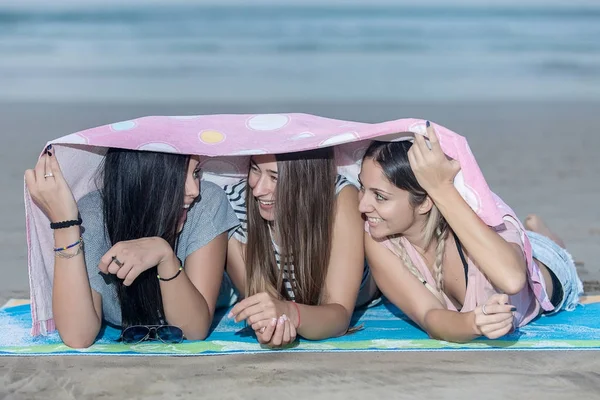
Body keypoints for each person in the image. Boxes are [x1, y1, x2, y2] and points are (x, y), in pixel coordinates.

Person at [358, 124, 582, 343]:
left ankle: (546, 237)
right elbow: (430, 316)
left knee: (553, 250)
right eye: (362, 188)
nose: (362, 206)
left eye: (379, 196)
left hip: (546, 263)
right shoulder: (379, 239)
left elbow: (512, 280)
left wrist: (440, 188)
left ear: (425, 201)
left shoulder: (479, 210)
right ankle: (533, 232)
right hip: (503, 246)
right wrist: (472, 324)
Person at [25, 146, 239, 348]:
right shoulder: (93, 215)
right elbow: (77, 336)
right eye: (179, 176)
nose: (194, 190)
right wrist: (65, 224)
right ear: (143, 179)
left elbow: (194, 330)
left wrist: (165, 256)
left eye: (196, 173)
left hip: (217, 298)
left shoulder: (205, 204)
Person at [224, 148, 379, 347]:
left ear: (306, 178)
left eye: (275, 177)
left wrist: (290, 313)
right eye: (255, 170)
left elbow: (339, 317)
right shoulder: (235, 203)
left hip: (364, 293)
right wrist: (272, 325)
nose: (258, 189)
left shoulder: (339, 199)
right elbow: (266, 304)